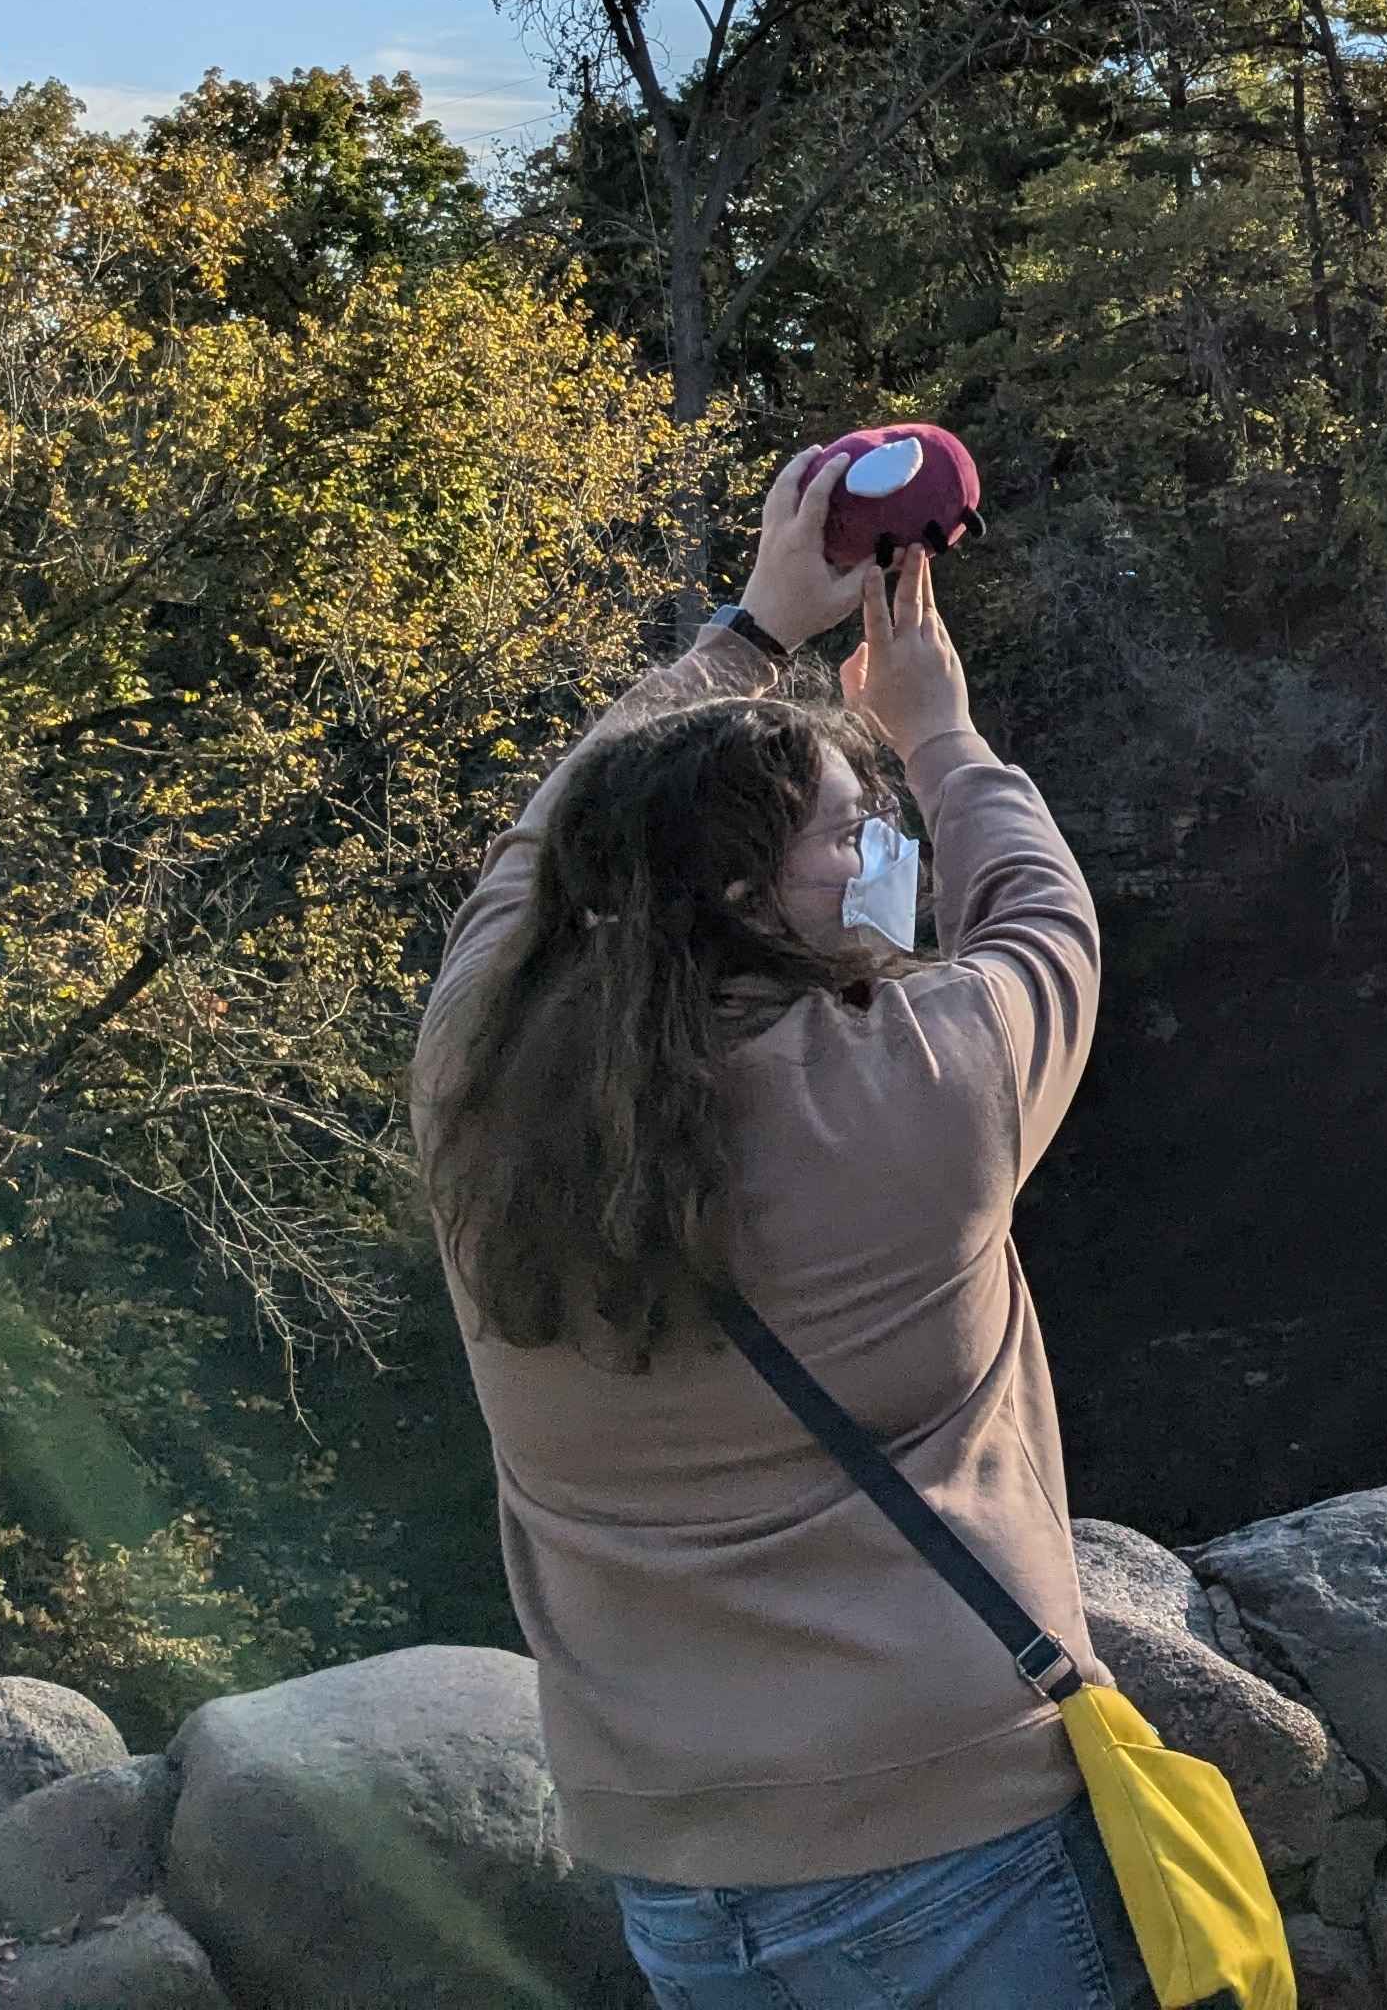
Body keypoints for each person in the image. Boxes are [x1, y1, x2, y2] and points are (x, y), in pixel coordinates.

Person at [412, 450, 1149, 2010]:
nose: (882, 850)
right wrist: (938, 739)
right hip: (956, 1835)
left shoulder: (477, 1081)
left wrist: (752, 629)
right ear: (758, 890)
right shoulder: (917, 1082)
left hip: (677, 1873)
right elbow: (1043, 920)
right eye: (850, 831)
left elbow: (539, 856)